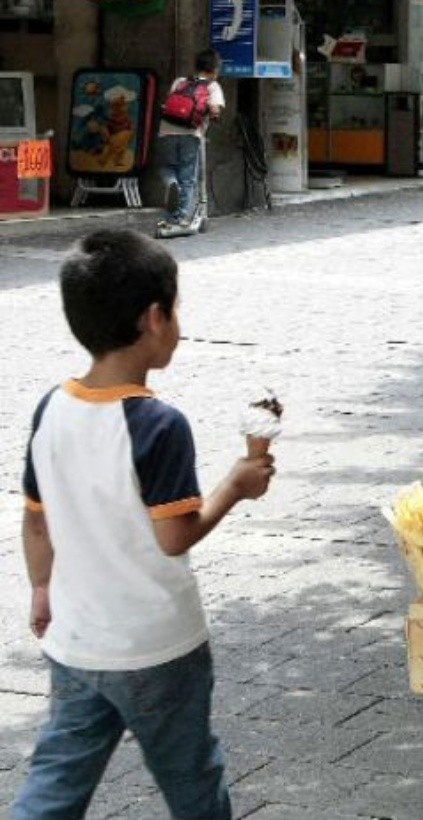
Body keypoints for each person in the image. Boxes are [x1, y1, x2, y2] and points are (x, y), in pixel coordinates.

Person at [14, 229, 275, 820]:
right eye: (176, 308)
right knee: (190, 779)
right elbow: (174, 535)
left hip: (77, 642)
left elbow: (36, 523)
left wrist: (39, 589)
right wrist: (236, 484)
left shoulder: (52, 408)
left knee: (57, 779)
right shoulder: (158, 424)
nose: (179, 320)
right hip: (157, 647)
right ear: (154, 318)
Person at [155, 48, 225, 238]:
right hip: (191, 134)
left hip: (166, 131)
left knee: (167, 167)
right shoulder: (212, 86)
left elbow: (170, 104)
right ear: (215, 69)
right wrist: (213, 115)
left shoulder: (180, 81)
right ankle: (183, 219)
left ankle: (170, 184)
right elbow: (215, 109)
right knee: (187, 177)